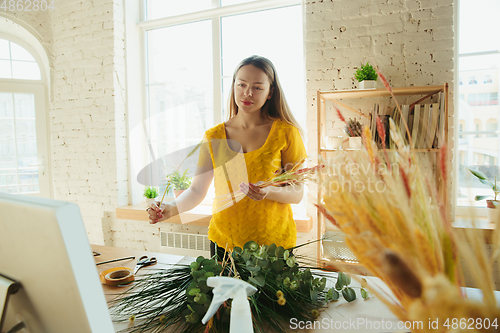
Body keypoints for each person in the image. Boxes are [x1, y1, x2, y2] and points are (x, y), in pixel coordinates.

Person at [147, 55, 307, 258]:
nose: (247, 93)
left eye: (257, 87)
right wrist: (171, 208)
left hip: (274, 245)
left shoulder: (286, 133)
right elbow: (197, 190)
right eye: (241, 84)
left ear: (270, 92)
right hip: (224, 243)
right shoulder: (214, 136)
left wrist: (269, 192)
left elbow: (298, 192)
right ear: (234, 86)